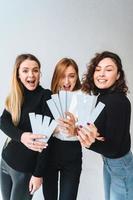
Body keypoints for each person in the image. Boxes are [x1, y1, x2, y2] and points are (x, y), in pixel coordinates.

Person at [77, 51, 133, 200]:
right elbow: (103, 134)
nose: (101, 74)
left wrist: (89, 142)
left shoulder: (117, 101)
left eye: (108, 70)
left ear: (118, 75)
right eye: (98, 69)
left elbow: (113, 148)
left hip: (120, 165)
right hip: (111, 162)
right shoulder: (104, 97)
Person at [0, 53, 53, 200]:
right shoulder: (17, 95)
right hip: (5, 162)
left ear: (39, 73)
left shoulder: (45, 96)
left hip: (24, 171)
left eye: (35, 70)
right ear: (18, 74)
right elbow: (3, 121)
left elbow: (47, 140)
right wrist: (22, 136)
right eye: (25, 70)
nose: (31, 74)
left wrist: (38, 174)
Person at [42, 58, 82, 200]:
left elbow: (90, 130)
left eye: (71, 76)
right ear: (56, 78)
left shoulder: (84, 99)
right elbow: (39, 129)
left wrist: (75, 129)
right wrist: (55, 128)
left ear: (77, 77)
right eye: (62, 76)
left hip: (72, 153)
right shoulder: (48, 97)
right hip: (51, 151)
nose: (67, 81)